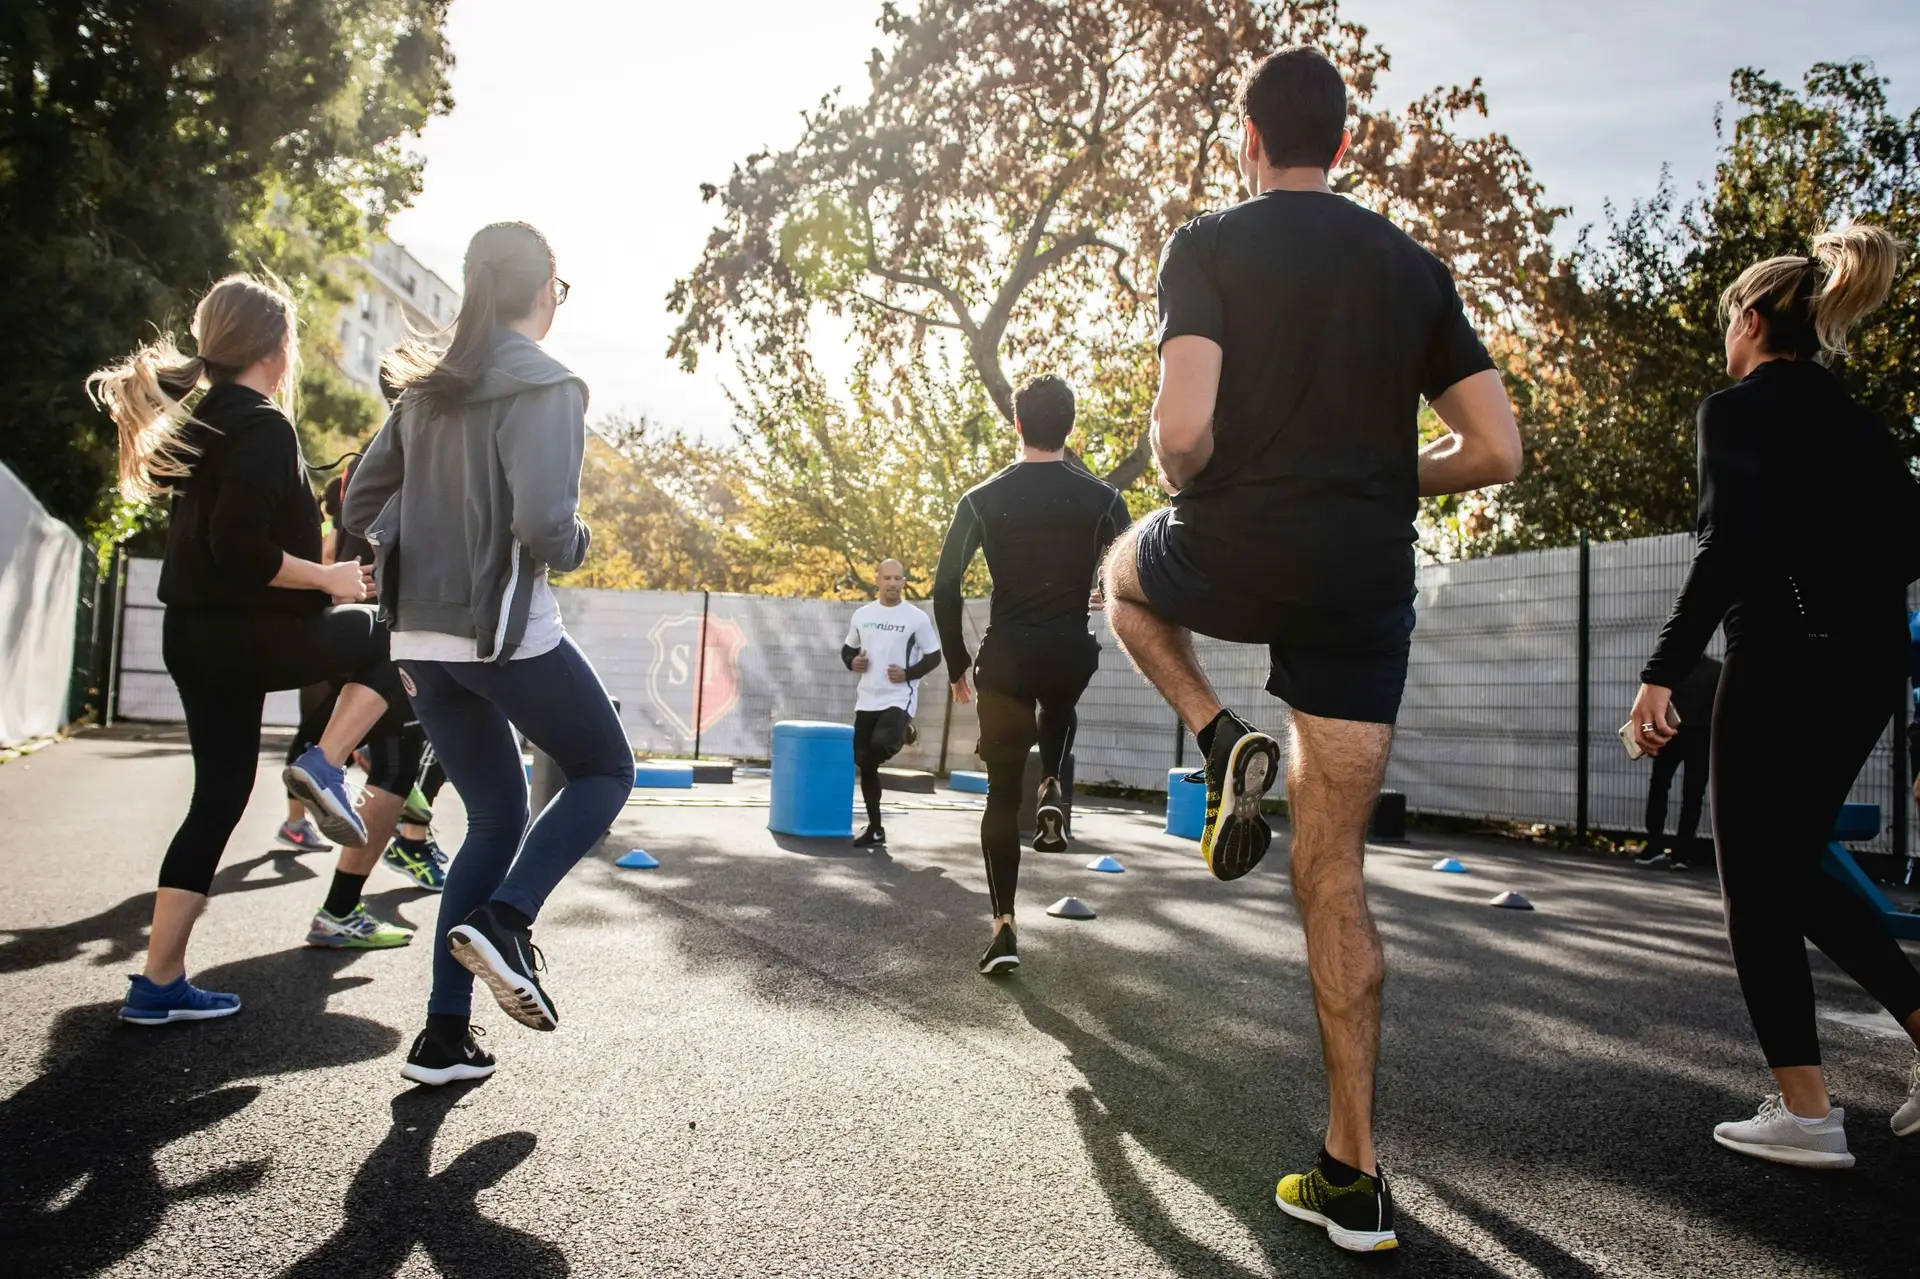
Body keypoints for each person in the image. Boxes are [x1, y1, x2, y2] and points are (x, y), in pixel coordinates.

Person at [1100, 49, 1522, 1252]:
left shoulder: (1211, 241)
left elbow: (1181, 434)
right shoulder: (1410, 266)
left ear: (1249, 137)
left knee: (1123, 581)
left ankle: (1220, 733)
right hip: (1361, 579)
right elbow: (1497, 449)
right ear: (1344, 144)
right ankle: (1352, 1174)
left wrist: (1195, 482)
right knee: (1334, 872)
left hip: (1231, 545)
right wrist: (1394, 475)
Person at [1629, 224, 1920, 1165]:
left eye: (1728, 323)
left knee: (1756, 887)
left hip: (1782, 662)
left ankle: (1806, 1112)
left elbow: (1726, 551)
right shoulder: (1863, 424)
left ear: (1750, 321)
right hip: (1868, 666)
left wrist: (1661, 670)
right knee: (1791, 868)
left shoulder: (1735, 408)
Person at [344, 221, 634, 1087]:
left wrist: (418, 545)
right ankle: (511, 919)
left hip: (420, 641)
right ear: (544, 289)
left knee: (497, 817)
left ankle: (442, 1035)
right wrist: (579, 539)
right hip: (502, 633)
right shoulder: (548, 384)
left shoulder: (427, 390)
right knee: (603, 768)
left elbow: (360, 504)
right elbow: (547, 527)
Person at [86, 274, 403, 1025]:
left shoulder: (206, 416)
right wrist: (328, 575)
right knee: (392, 640)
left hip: (192, 637)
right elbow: (240, 549)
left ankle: (159, 983)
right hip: (245, 636)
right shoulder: (262, 423)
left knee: (219, 798)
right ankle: (325, 764)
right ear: (278, 346)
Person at [932, 374, 1130, 974]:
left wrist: (958, 662)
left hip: (1007, 657)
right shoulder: (1102, 498)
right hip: (1070, 649)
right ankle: (1053, 787)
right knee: (1060, 698)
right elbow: (1132, 570)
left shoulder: (981, 499)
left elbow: (944, 586)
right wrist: (1101, 588)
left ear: (1016, 424)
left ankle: (1004, 928)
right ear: (1069, 428)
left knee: (998, 795)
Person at [840, 560, 942, 848]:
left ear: (904, 582)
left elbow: (934, 656)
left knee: (878, 747)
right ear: (878, 580)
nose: (893, 583)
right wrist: (853, 661)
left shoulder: (916, 618)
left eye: (898, 578)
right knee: (865, 763)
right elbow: (848, 648)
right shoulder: (862, 615)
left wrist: (908, 674)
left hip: (899, 697)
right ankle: (876, 829)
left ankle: (901, 730)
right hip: (867, 698)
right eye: (888, 578)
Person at [1634, 654, 1720, 871]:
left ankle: (1654, 846)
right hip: (1701, 738)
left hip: (1670, 736)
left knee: (1659, 788)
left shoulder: (1671, 668)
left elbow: (1655, 705)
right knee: (1693, 796)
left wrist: (1647, 733)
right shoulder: (1716, 670)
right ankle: (1681, 853)